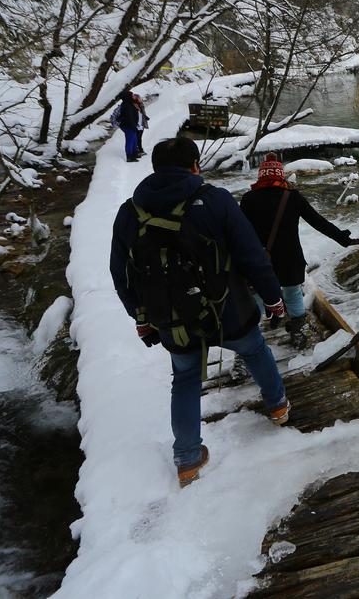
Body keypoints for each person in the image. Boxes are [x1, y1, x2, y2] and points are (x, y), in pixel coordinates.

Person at [110, 137, 292, 487]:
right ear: (195, 164)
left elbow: (121, 274)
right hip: (230, 309)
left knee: (186, 379)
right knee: (255, 351)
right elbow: (252, 256)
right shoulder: (216, 200)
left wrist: (142, 320)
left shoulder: (129, 213)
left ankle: (188, 460)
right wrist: (273, 298)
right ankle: (279, 408)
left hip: (172, 320)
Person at [240, 153, 359, 350]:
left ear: (261, 175)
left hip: (259, 262)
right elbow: (318, 222)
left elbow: (239, 233)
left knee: (255, 299)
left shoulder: (248, 199)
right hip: (290, 260)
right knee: (293, 294)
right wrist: (343, 239)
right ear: (281, 175)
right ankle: (298, 332)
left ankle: (247, 348)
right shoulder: (292, 197)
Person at [113, 89, 142, 162]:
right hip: (128, 125)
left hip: (131, 125)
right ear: (127, 97)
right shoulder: (126, 105)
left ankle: (134, 153)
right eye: (131, 95)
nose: (133, 96)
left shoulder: (130, 103)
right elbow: (129, 118)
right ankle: (129, 157)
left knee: (134, 138)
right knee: (130, 140)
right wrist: (133, 127)